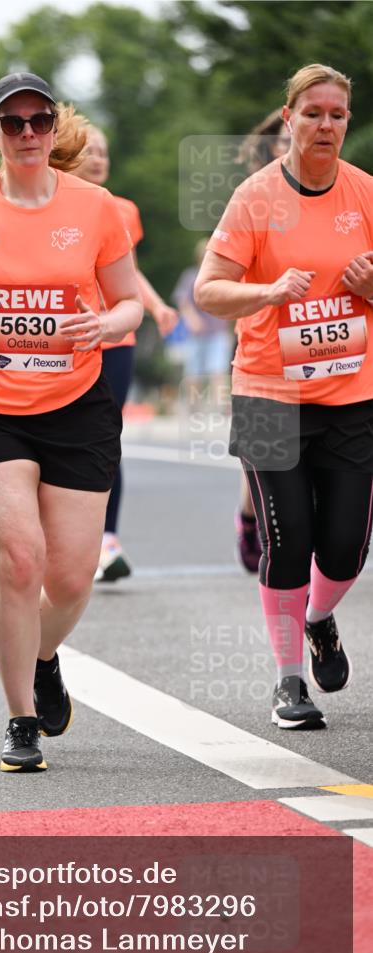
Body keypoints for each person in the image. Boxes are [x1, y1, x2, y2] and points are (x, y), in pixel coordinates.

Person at [0, 73, 142, 771]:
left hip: (76, 404)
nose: (27, 134)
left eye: (38, 120)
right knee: (18, 560)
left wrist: (100, 324)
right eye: (11, 124)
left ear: (52, 127)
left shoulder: (96, 208)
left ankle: (44, 658)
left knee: (70, 579)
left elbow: (129, 301)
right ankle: (20, 720)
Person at [194, 63, 373, 730]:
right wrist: (265, 293)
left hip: (353, 395)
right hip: (268, 392)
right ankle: (288, 680)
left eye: (336, 113)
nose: (324, 124)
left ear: (344, 122)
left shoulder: (364, 194)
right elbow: (209, 290)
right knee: (287, 538)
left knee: (347, 549)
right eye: (312, 113)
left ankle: (320, 617)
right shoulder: (254, 197)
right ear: (289, 117)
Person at [73, 125, 178, 582]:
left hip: (115, 337)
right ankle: (65, 540)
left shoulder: (123, 210)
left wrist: (155, 306)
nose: (99, 159)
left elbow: (128, 271)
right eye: (90, 151)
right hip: (63, 342)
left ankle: (106, 540)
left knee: (104, 437)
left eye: (105, 152)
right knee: (62, 438)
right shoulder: (53, 206)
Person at [235, 110, 291, 573]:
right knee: (264, 459)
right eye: (285, 140)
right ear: (270, 149)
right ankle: (249, 518)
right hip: (264, 348)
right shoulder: (252, 199)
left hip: (328, 352)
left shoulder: (344, 194)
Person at [172, 239, 233, 410]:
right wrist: (192, 319)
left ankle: (221, 405)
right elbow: (182, 301)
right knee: (194, 371)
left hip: (218, 332)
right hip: (196, 333)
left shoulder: (222, 277)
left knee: (218, 370)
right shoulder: (191, 276)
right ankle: (193, 405)